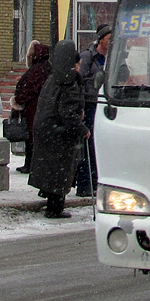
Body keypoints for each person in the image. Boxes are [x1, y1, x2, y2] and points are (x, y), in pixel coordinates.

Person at [29, 40, 90, 219]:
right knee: (61, 169)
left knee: (50, 168)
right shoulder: (69, 83)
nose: (79, 68)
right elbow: (68, 113)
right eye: (78, 64)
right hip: (60, 132)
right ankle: (55, 207)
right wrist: (82, 128)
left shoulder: (53, 78)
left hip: (46, 129)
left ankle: (50, 199)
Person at [74, 24, 111, 196]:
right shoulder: (89, 56)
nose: (111, 42)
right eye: (109, 38)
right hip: (90, 104)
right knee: (89, 144)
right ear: (101, 39)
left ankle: (97, 180)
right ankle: (85, 183)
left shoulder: (113, 56)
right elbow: (80, 79)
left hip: (106, 104)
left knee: (102, 143)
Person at [12, 42, 52, 174]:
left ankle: (30, 164)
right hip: (41, 109)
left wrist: (18, 99)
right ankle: (34, 164)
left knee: (31, 139)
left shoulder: (37, 70)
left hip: (33, 109)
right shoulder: (47, 68)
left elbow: (27, 89)